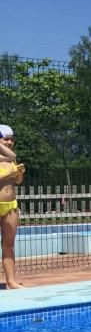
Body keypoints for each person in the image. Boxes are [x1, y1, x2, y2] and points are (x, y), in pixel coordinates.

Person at [0, 124, 26, 289]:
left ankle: (11, 281)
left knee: (9, 244)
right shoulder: (8, 157)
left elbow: (16, 182)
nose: (9, 142)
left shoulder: (11, 160)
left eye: (11, 139)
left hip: (11, 204)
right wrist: (10, 173)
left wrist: (19, 173)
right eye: (6, 139)